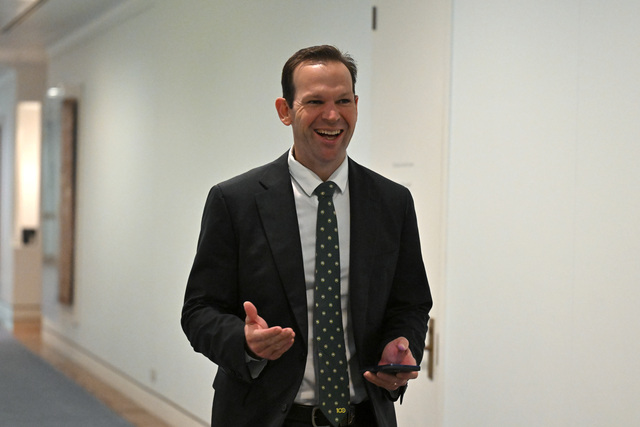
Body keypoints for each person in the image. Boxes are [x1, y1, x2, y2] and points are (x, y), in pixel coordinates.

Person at [181, 45, 432, 427]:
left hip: (364, 415)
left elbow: (411, 304)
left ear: (356, 105)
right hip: (266, 417)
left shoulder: (392, 202)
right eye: (315, 101)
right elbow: (199, 310)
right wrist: (244, 342)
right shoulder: (235, 202)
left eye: (343, 100)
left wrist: (402, 345)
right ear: (285, 110)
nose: (332, 115)